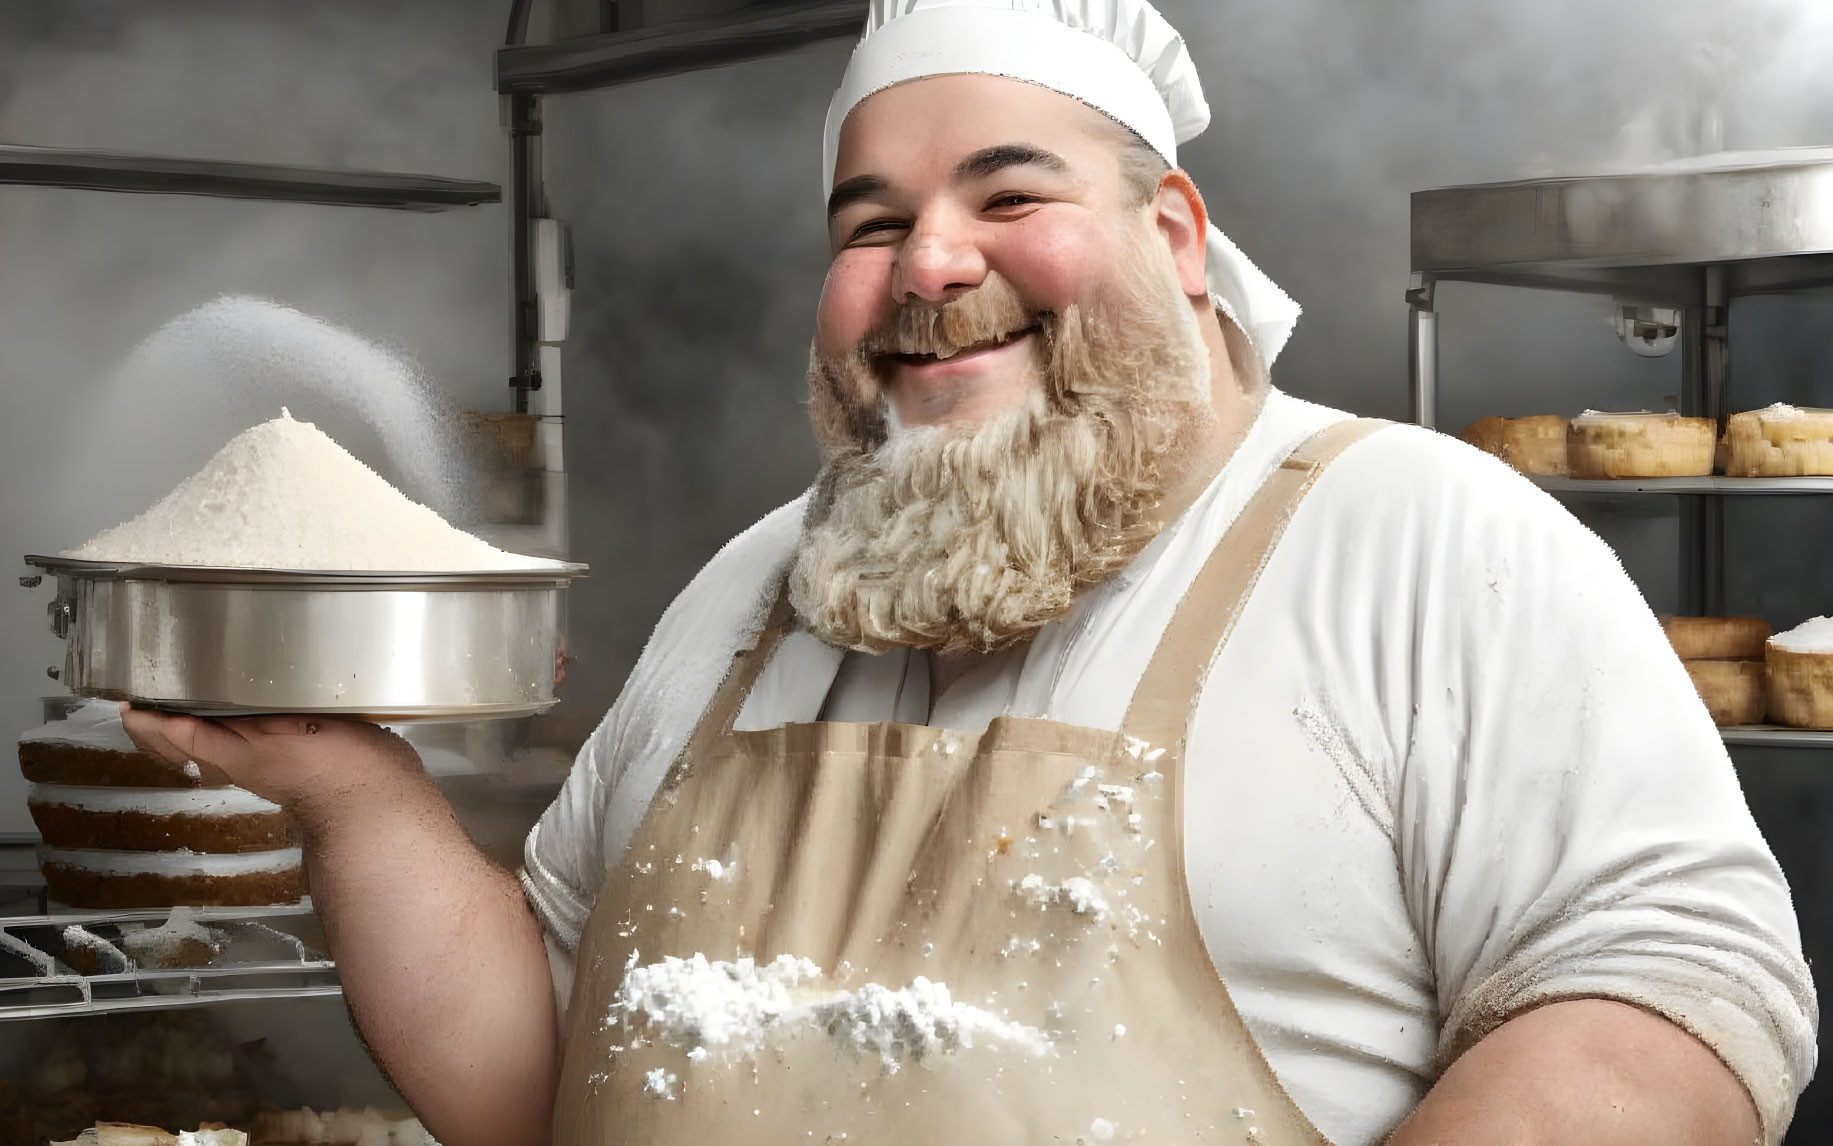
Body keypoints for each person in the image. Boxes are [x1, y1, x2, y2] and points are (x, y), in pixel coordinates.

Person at [124, 1, 1816, 1143]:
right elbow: (532, 1067)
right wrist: (362, 802)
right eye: (869, 223)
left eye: (1009, 193)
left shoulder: (1417, 540)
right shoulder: (753, 591)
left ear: (1171, 238)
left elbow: (1670, 999)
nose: (930, 262)